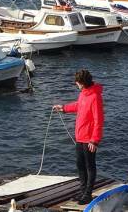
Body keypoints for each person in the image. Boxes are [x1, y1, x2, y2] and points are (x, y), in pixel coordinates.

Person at [53, 69, 104, 205]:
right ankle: (82, 191)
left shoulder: (95, 96)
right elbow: (78, 106)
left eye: (77, 82)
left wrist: (95, 140)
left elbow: (99, 120)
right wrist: (63, 108)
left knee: (89, 166)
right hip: (80, 136)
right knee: (80, 164)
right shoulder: (83, 94)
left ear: (83, 83)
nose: (76, 84)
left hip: (89, 140)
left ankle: (88, 194)